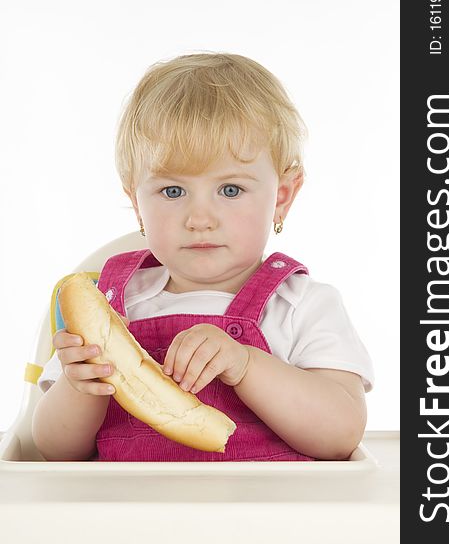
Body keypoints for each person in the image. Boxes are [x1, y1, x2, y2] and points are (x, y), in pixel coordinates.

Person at [32, 52, 374, 462]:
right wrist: (80, 385)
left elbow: (341, 434)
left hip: (268, 518)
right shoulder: (106, 305)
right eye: (172, 191)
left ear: (282, 196)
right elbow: (53, 451)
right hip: (125, 518)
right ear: (136, 203)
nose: (199, 219)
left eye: (230, 190)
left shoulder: (301, 305)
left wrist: (245, 364)